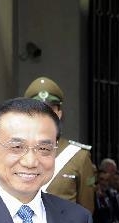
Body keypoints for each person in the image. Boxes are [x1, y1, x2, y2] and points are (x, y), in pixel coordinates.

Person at [24, 76, 96, 212]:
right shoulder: (15, 151)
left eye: (50, 109)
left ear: (59, 114)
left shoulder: (78, 156)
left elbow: (86, 212)